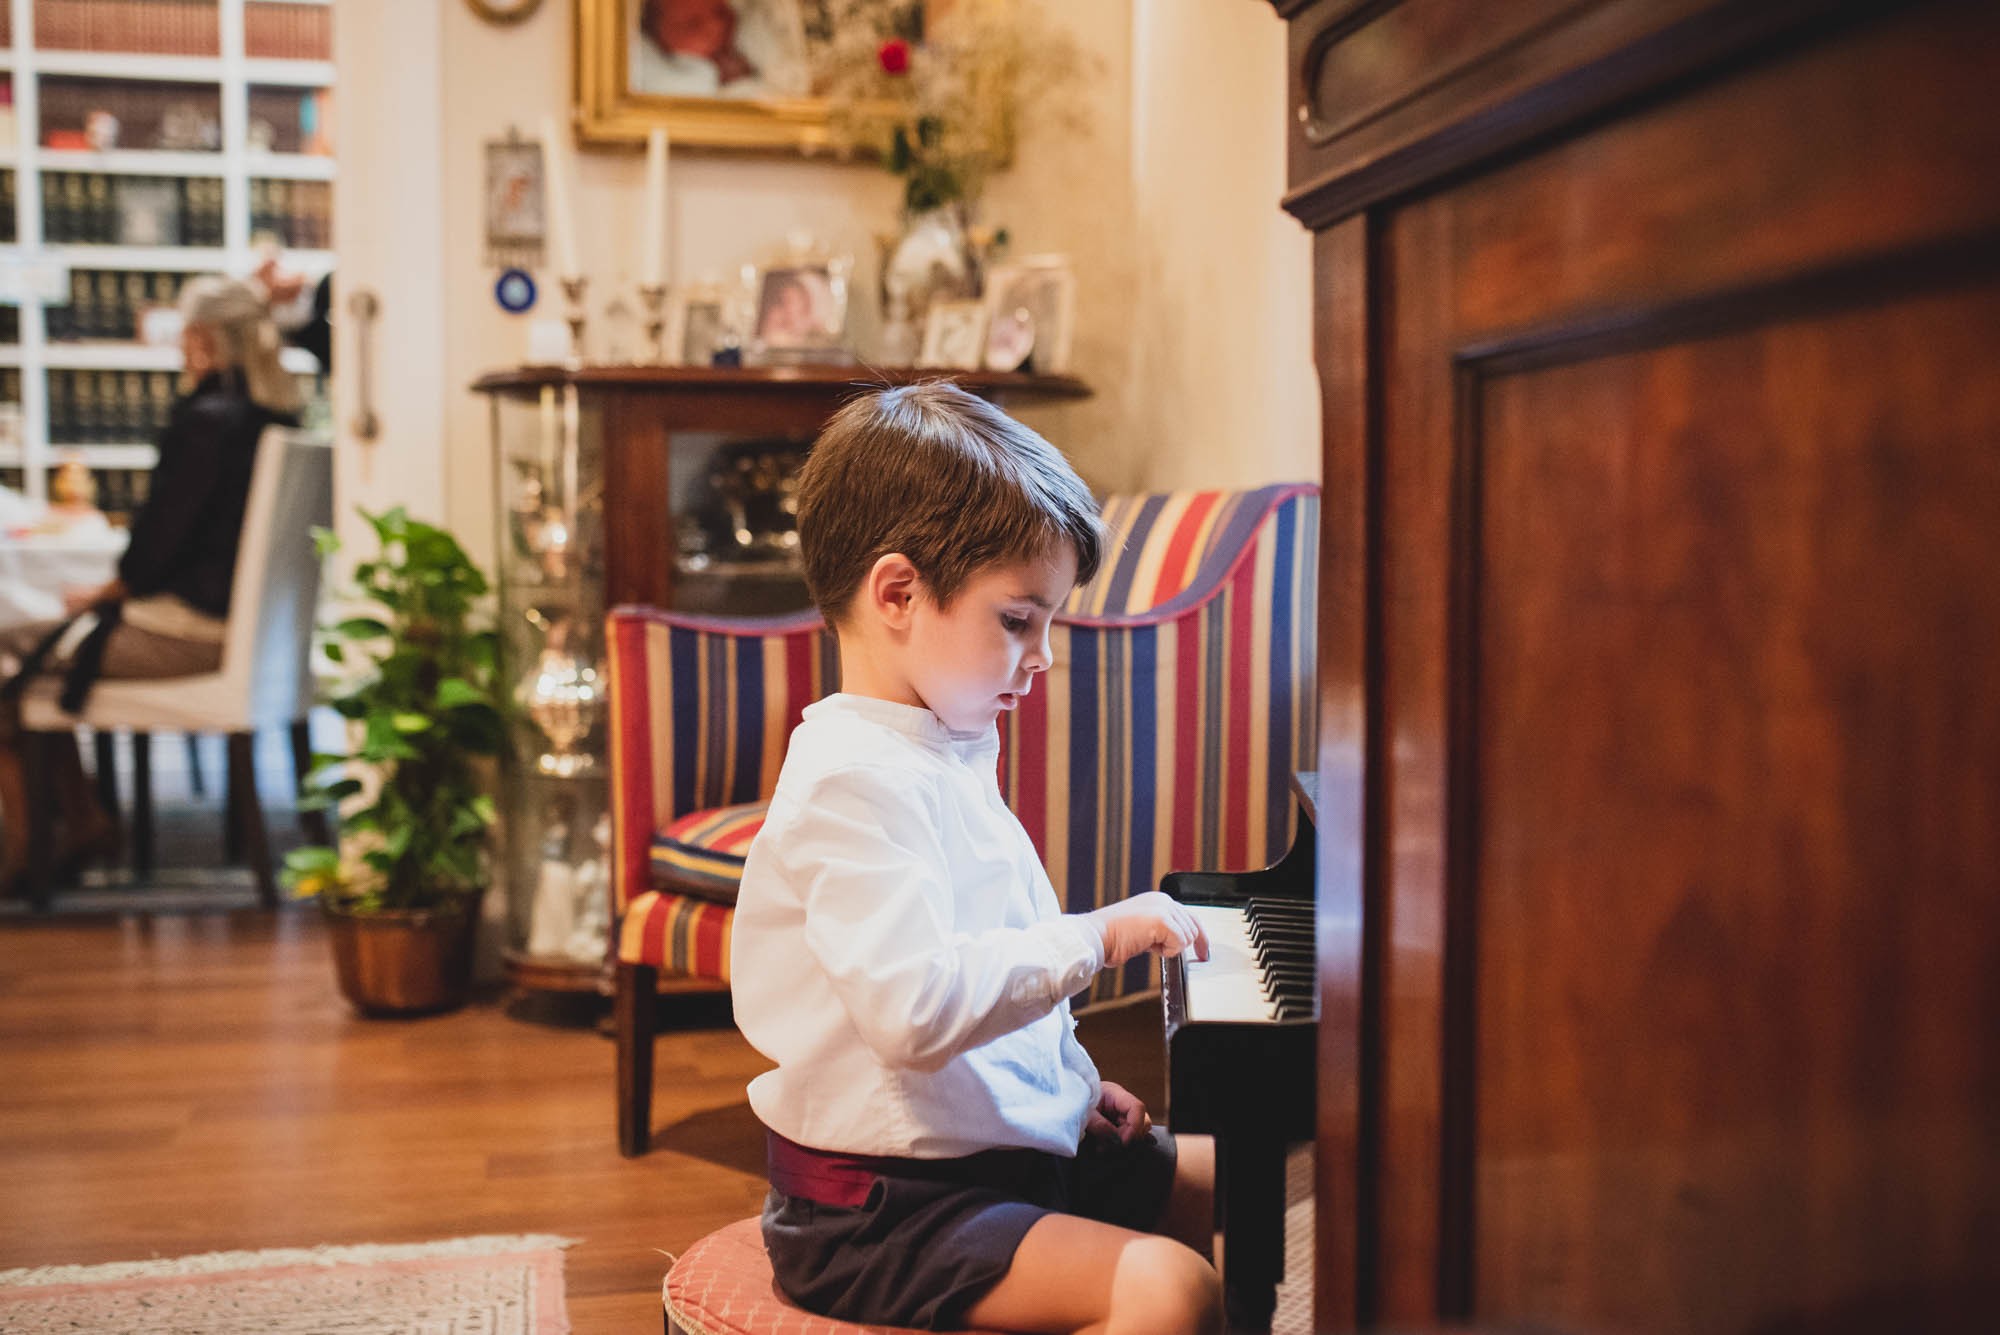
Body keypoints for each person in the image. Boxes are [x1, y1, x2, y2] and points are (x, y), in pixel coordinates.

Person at [730, 382, 1223, 1335]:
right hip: (884, 1209)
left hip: (988, 1155)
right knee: (1172, 1288)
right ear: (900, 594)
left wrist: (1072, 1085)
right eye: (1017, 619)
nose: (1042, 655)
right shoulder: (849, 781)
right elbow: (918, 1011)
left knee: (1220, 1176)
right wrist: (1103, 934)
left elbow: (995, 948)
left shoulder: (939, 745)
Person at [0, 276, 303, 892]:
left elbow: (155, 549)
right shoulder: (279, 419)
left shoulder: (208, 420)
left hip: (188, 633)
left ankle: (33, 844)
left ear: (199, 340)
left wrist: (112, 591)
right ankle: (80, 819)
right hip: (249, 635)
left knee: (9, 650)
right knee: (35, 641)